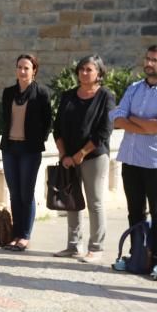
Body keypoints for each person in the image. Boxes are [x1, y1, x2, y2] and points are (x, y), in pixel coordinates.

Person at [109, 43, 157, 281]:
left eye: (155, 60)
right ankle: (137, 256)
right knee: (135, 212)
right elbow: (116, 119)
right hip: (131, 159)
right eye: (148, 58)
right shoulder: (134, 88)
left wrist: (132, 121)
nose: (149, 63)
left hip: (156, 161)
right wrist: (141, 124)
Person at [52, 55, 116, 263]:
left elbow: (104, 131)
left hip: (94, 156)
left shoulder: (105, 96)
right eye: (81, 69)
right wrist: (64, 155)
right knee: (72, 201)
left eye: (89, 69)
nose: (84, 73)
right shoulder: (68, 95)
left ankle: (96, 247)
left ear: (99, 73)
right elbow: (58, 128)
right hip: (69, 158)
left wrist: (81, 154)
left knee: (94, 202)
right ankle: (73, 246)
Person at [0, 54, 52, 252]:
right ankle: (15, 234)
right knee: (14, 194)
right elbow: (5, 118)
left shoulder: (41, 93)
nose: (22, 71)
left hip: (30, 150)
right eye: (19, 67)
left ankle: (25, 236)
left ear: (34, 70)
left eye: (26, 68)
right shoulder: (9, 93)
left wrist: (39, 140)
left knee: (26, 194)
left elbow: (48, 121)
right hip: (10, 148)